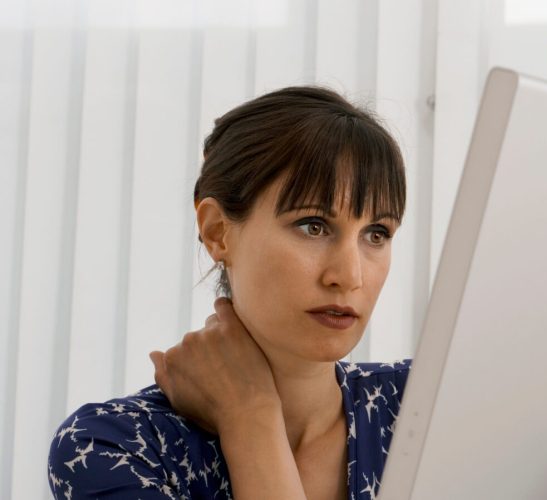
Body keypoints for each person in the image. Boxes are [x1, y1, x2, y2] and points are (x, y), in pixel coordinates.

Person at [46, 86, 410, 500]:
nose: (349, 276)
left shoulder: (425, 410)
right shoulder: (114, 449)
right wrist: (250, 415)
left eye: (376, 234)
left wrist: (250, 414)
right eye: (313, 226)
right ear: (218, 231)